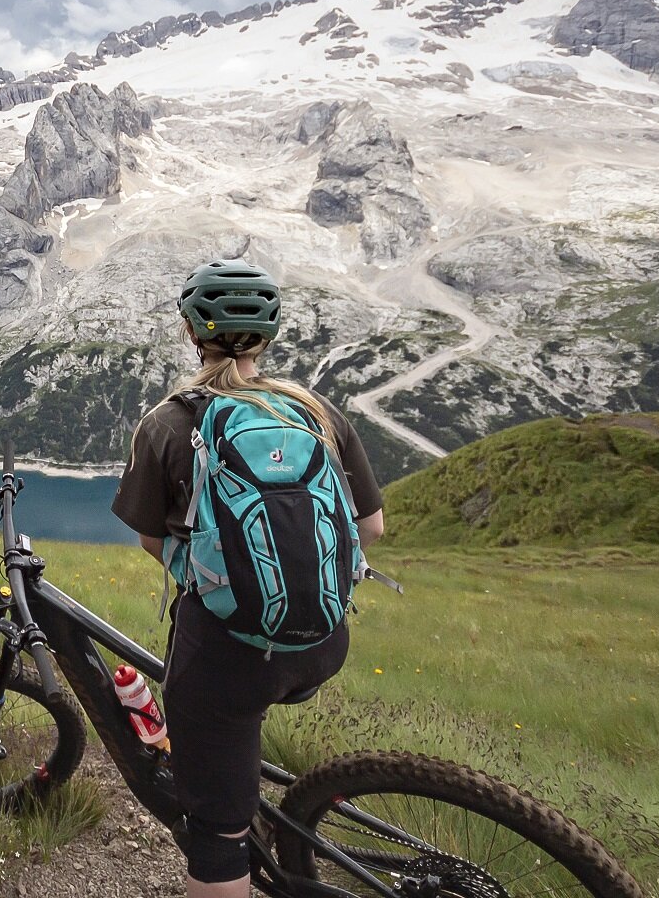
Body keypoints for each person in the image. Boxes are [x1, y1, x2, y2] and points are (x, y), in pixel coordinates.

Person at [111, 259, 385, 898]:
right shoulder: (316, 414)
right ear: (270, 334)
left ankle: (230, 827)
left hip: (225, 657)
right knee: (239, 727)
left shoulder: (167, 423)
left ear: (189, 331)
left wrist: (226, 579)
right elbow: (369, 530)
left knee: (215, 834)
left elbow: (154, 540)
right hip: (323, 641)